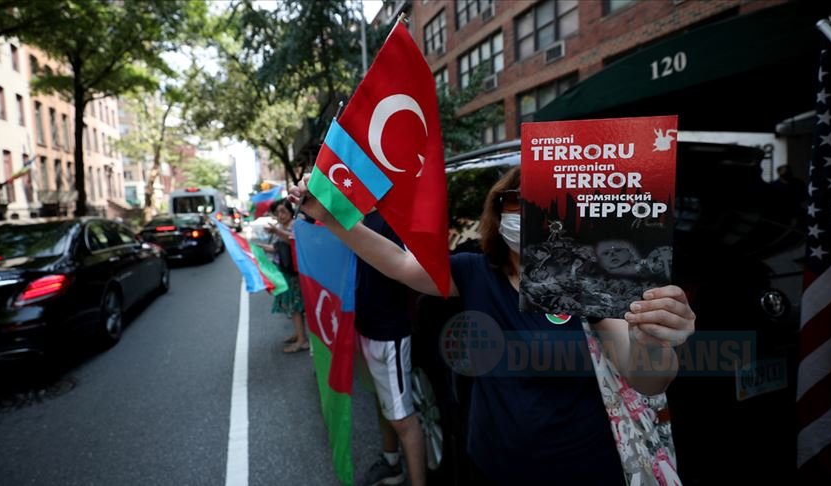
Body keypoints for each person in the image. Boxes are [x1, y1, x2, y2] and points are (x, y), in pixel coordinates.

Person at [290, 166, 695, 484]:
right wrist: (330, 214)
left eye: (543, 201)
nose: (527, 212)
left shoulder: (587, 283)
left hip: (582, 467)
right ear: (498, 212)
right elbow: (397, 262)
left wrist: (655, 342)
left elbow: (648, 381)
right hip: (490, 463)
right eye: (515, 200)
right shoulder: (474, 272)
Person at [355, 210, 427, 486]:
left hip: (389, 331)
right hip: (366, 327)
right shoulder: (357, 215)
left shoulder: (394, 215)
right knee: (381, 400)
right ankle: (392, 463)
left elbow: (408, 268)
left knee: (403, 418)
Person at [258, 198, 308, 353]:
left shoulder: (296, 225)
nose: (280, 215)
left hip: (295, 272)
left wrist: (277, 231)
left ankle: (302, 340)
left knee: (295, 307)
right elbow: (277, 248)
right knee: (293, 307)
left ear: (290, 211)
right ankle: (299, 334)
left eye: (283, 211)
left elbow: (293, 240)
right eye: (277, 212)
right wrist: (259, 248)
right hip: (286, 271)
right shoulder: (280, 227)